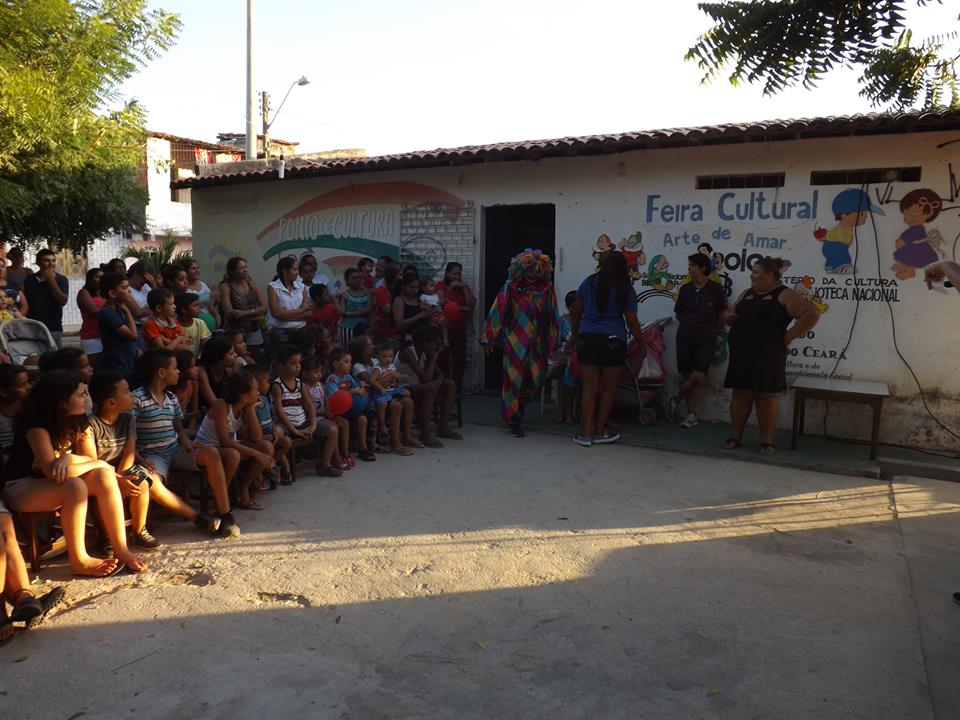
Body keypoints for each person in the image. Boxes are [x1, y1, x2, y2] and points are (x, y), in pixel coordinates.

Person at [1, 370, 145, 575]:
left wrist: (70, 459)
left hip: (55, 483)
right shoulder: (36, 426)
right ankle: (79, 560)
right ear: (62, 402)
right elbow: (52, 471)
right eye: (80, 394)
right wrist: (98, 464)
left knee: (103, 476)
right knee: (75, 485)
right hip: (21, 486)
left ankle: (121, 550)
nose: (86, 399)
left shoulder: (79, 421)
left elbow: (91, 462)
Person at [87, 371, 220, 544]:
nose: (131, 395)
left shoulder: (127, 419)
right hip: (100, 473)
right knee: (132, 483)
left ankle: (140, 530)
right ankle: (109, 537)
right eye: (126, 392)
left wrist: (125, 475)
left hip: (123, 468)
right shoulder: (91, 425)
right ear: (111, 402)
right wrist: (118, 479)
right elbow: (92, 462)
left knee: (145, 482)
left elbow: (128, 453)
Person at [133, 349, 240, 537]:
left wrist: (187, 443)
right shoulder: (137, 399)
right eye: (175, 368)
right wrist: (139, 458)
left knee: (211, 453)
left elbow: (179, 428)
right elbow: (128, 435)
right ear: (162, 372)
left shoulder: (171, 398)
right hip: (153, 456)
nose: (178, 372)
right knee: (152, 482)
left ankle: (225, 513)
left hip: (176, 449)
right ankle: (197, 518)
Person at [722, 257, 820, 455]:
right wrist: (728, 318)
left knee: (765, 395)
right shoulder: (746, 293)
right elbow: (729, 314)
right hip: (741, 352)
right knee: (740, 393)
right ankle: (735, 436)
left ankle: (766, 441)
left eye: (756, 272)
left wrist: (789, 336)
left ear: (769, 275)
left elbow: (812, 313)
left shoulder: (784, 294)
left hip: (768, 354)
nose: (751, 275)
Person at [569, 251, 645, 447]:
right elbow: (632, 321)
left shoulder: (588, 282)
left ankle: (585, 434)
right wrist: (641, 343)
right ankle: (600, 431)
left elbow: (576, 312)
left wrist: (574, 334)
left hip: (587, 339)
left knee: (589, 389)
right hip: (613, 341)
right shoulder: (625, 288)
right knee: (609, 390)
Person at [481, 248, 560, 437]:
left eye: (537, 271)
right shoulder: (510, 288)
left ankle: (519, 408)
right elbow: (497, 311)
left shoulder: (546, 290)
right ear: (521, 270)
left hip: (537, 342)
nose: (533, 274)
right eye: (529, 270)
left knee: (537, 378)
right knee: (513, 380)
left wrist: (552, 341)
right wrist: (489, 336)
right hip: (514, 341)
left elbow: (553, 316)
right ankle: (514, 419)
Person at [194, 370, 275, 511]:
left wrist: (251, 410)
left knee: (266, 447)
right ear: (245, 397)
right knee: (233, 455)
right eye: (255, 390)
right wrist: (256, 454)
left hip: (228, 447)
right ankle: (222, 497)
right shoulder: (221, 405)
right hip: (208, 448)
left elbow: (257, 438)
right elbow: (224, 441)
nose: (258, 393)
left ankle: (243, 488)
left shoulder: (244, 407)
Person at [668, 252, 728, 429]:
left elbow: (722, 313)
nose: (689, 268)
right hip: (685, 336)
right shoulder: (685, 289)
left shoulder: (715, 289)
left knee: (697, 376)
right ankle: (691, 414)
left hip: (706, 338)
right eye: (689, 265)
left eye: (693, 265)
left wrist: (711, 327)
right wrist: (689, 324)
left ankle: (676, 399)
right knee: (687, 375)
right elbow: (678, 312)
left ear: (702, 268)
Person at [270, 344, 342, 477]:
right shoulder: (277, 385)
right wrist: (294, 430)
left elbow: (310, 407)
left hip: (303, 422)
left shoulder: (300, 384)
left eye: (299, 363)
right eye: (293, 364)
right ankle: (283, 467)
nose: (298, 367)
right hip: (286, 425)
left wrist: (312, 426)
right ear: (281, 366)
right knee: (277, 433)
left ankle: (325, 464)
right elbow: (280, 411)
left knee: (333, 430)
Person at [398, 324, 460, 447]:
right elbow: (425, 377)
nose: (436, 346)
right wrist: (432, 359)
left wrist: (438, 382)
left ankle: (443, 427)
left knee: (450, 384)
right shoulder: (408, 352)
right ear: (425, 343)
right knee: (429, 388)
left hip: (417, 385)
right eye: (434, 343)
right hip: (402, 387)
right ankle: (425, 434)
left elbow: (440, 375)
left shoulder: (425, 351)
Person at [353, 336, 415, 455]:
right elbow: (371, 384)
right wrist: (390, 376)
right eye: (369, 345)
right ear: (362, 350)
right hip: (373, 397)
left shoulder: (377, 360)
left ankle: (407, 437)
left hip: (387, 392)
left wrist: (396, 377)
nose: (373, 346)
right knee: (396, 406)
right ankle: (395, 443)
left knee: (408, 402)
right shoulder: (358, 366)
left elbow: (390, 376)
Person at [247, 365, 292, 485]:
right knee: (268, 444)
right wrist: (269, 436)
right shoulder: (249, 406)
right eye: (266, 381)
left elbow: (270, 419)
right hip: (258, 440)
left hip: (269, 435)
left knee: (286, 441)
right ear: (256, 384)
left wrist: (274, 430)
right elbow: (250, 433)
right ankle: (262, 471)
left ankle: (267, 466)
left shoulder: (264, 399)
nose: (269, 385)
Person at [435, 261, 476, 394]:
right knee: (443, 360)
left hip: (459, 330)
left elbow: (471, 304)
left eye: (459, 274)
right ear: (447, 274)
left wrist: (464, 287)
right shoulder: (441, 285)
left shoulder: (463, 287)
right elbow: (441, 303)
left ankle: (456, 391)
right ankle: (444, 390)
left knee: (460, 361)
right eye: (454, 274)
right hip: (444, 331)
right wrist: (461, 308)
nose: (457, 277)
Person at [219, 257, 267, 354]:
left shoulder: (253, 285)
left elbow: (264, 308)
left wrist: (243, 313)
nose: (245, 270)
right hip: (235, 330)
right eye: (240, 268)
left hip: (253, 328)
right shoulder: (226, 287)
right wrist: (255, 314)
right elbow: (230, 313)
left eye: (245, 267)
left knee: (254, 355)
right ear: (232, 271)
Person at [97, 272, 138, 385]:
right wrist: (127, 311)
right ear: (112, 293)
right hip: (117, 365)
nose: (129, 291)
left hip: (127, 363)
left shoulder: (117, 310)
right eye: (124, 288)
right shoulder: (107, 313)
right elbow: (133, 335)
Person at [23, 248, 69, 347]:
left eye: (53, 260)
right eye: (46, 261)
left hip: (53, 328)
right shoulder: (30, 279)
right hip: (32, 326)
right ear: (38, 263)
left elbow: (63, 300)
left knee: (54, 355)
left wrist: (51, 280)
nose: (51, 264)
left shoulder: (61, 279)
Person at [267, 256, 310, 345]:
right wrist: (301, 310)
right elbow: (276, 313)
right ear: (284, 271)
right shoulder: (273, 287)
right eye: (294, 269)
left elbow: (309, 312)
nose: (297, 272)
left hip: (301, 329)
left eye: (298, 269)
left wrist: (284, 316)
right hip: (282, 332)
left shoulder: (301, 287)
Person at [197, 334, 237, 409]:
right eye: (231, 354)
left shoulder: (228, 371)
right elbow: (214, 403)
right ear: (219, 359)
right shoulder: (202, 371)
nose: (235, 355)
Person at [392, 270, 433, 341]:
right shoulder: (399, 301)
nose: (415, 290)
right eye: (412, 287)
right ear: (404, 287)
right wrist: (420, 316)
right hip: (409, 338)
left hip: (425, 337)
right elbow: (399, 324)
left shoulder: (421, 297)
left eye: (417, 287)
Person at [337, 268, 373, 348]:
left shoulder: (367, 293)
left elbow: (368, 309)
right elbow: (342, 312)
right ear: (347, 281)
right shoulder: (344, 295)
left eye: (359, 277)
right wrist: (340, 299)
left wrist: (350, 313)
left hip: (365, 329)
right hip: (348, 329)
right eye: (354, 278)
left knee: (365, 351)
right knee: (348, 351)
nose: (358, 280)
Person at [125, 260, 158, 345]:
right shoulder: (126, 289)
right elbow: (138, 313)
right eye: (144, 277)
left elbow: (161, 300)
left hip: (153, 326)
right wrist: (156, 309)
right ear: (136, 273)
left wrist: (154, 285)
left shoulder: (146, 287)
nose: (146, 281)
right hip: (138, 329)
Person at [0, 365, 29, 458]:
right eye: (22, 385)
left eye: (28, 382)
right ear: (4, 392)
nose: (28, 387)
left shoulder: (28, 406)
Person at [77, 268, 105, 365]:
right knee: (94, 366)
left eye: (102, 277)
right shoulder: (84, 292)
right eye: (97, 277)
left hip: (105, 336)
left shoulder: (103, 293)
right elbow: (93, 310)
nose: (101, 280)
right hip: (92, 337)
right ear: (90, 279)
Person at [182, 259, 219, 331]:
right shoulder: (183, 289)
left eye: (197, 268)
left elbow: (210, 305)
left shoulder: (204, 286)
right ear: (186, 272)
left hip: (208, 324)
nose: (197, 271)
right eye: (193, 269)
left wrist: (216, 315)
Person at [176, 292, 211, 356]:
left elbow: (205, 347)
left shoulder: (200, 323)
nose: (198, 308)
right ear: (183, 309)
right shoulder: (173, 325)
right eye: (195, 305)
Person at [374, 262, 401, 340]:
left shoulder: (397, 288)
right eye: (399, 275)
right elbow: (387, 309)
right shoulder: (381, 290)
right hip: (387, 329)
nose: (400, 277)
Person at [419, 277, 449, 347]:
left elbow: (438, 303)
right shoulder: (423, 296)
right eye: (431, 286)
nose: (434, 287)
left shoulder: (435, 295)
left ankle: (445, 339)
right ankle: (439, 342)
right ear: (423, 288)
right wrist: (428, 306)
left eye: (434, 285)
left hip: (439, 313)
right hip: (431, 314)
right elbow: (421, 306)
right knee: (435, 329)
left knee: (444, 323)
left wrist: (444, 301)